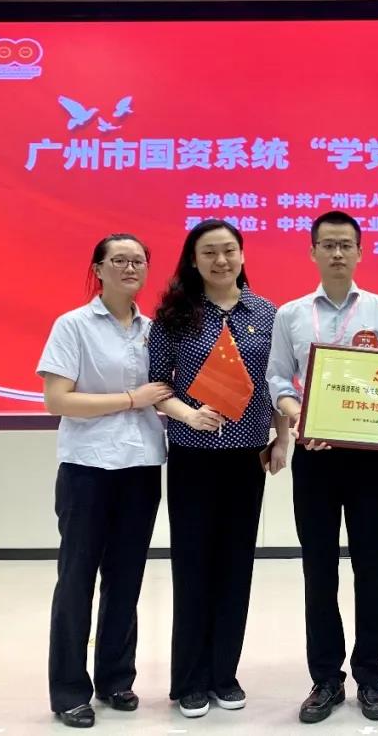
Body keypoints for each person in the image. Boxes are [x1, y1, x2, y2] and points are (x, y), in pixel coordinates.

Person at [265, 211, 378, 724]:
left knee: (372, 567)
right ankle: (326, 678)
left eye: (346, 244)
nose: (337, 253)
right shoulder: (291, 314)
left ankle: (370, 676)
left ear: (360, 252)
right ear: (313, 252)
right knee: (319, 568)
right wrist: (299, 417)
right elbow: (278, 379)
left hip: (369, 458)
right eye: (328, 244)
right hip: (315, 455)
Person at [38, 233, 171, 729]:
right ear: (98, 268)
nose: (130, 267)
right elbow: (58, 400)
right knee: (76, 580)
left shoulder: (154, 330)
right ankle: (70, 690)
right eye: (119, 260)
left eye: (138, 261)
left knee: (126, 578)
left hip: (141, 466)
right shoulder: (73, 325)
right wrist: (131, 400)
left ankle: (116, 678)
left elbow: (166, 395)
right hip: (87, 467)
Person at [148, 219, 277, 719]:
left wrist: (282, 440)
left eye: (229, 251)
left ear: (242, 255)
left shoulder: (266, 313)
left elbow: (277, 381)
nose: (221, 261)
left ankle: (225, 674)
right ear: (193, 260)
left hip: (248, 458)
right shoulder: (174, 315)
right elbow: (158, 385)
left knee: (236, 566)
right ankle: (190, 679)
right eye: (209, 252)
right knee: (193, 565)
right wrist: (188, 415)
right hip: (192, 457)